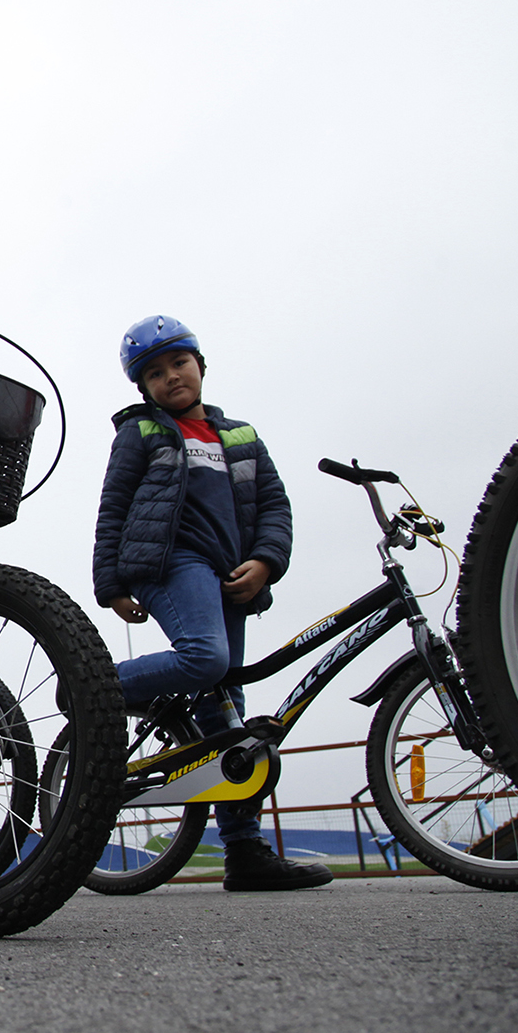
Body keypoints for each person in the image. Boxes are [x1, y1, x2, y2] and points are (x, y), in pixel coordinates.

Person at [92, 315, 330, 892]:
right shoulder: (142, 434)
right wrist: (110, 584)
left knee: (224, 714)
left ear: (201, 365)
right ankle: (92, 684)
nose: (170, 377)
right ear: (142, 388)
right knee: (206, 657)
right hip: (170, 562)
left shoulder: (241, 435)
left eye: (179, 362)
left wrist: (268, 561)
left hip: (230, 574)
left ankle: (244, 852)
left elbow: (275, 506)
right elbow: (113, 508)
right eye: (154, 372)